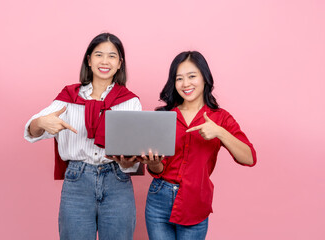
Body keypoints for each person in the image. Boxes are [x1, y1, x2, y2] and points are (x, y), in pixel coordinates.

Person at [24, 33, 141, 240]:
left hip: (117, 180)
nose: (105, 61)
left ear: (120, 63)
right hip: (78, 180)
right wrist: (40, 122)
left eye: (112, 56)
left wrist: (130, 160)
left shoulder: (130, 102)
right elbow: (32, 131)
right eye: (98, 55)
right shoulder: (69, 98)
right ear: (89, 60)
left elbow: (134, 151)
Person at [140, 51, 257, 240]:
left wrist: (220, 132)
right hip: (158, 199)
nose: (185, 84)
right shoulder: (164, 116)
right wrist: (152, 163)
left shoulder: (221, 118)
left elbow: (249, 158)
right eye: (179, 78)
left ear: (205, 78)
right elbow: (159, 168)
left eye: (192, 76)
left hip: (195, 202)